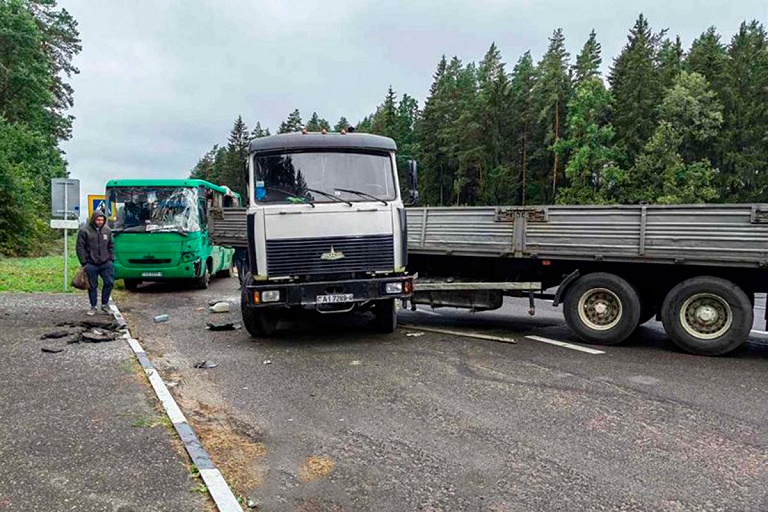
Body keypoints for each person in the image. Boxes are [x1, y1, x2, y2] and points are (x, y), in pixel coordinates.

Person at [76, 210, 115, 315]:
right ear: (93, 219)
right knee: (93, 285)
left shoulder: (107, 230)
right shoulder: (84, 230)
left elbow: (111, 245)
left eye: (102, 220)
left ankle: (105, 304)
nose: (100, 222)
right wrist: (84, 262)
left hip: (106, 262)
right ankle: (93, 306)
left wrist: (111, 258)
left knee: (109, 282)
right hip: (91, 263)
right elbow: (80, 247)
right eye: (98, 219)